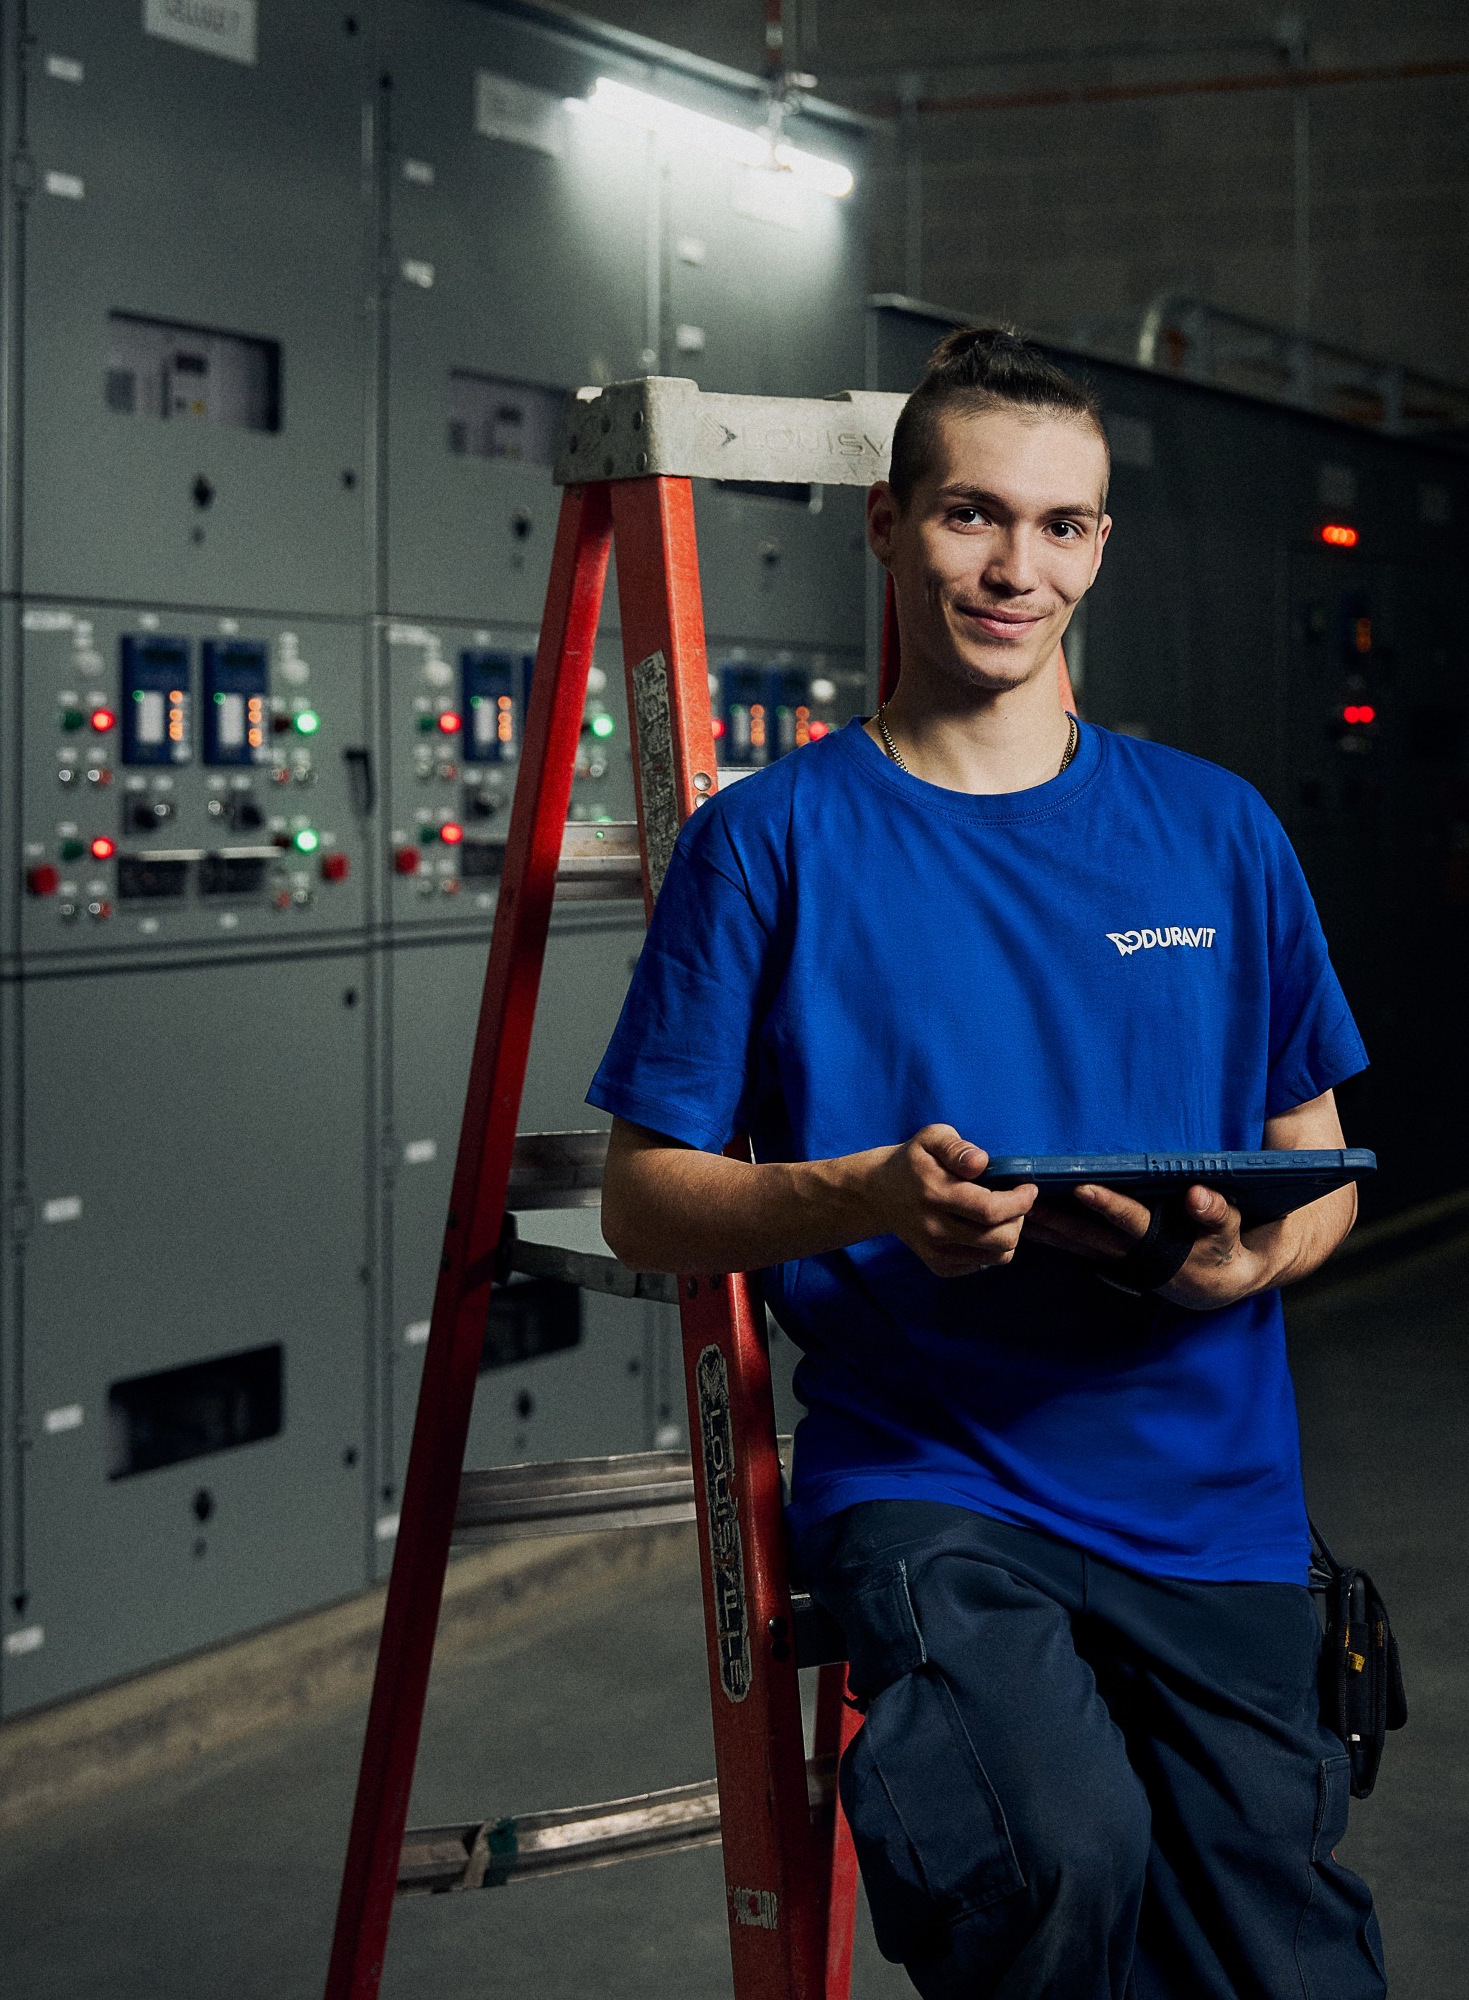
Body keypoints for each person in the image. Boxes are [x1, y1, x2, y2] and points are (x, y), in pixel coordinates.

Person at [590, 326, 1386, 1999]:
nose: (1017, 568)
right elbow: (646, 1199)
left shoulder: (1219, 829)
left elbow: (1325, 1167)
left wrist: (1250, 1257)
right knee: (1051, 1856)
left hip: (1213, 1495)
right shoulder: (772, 842)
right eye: (971, 517)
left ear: (1100, 543)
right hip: (935, 1481)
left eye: (1062, 526)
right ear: (886, 527)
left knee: (1283, 1964)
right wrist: (870, 1194)